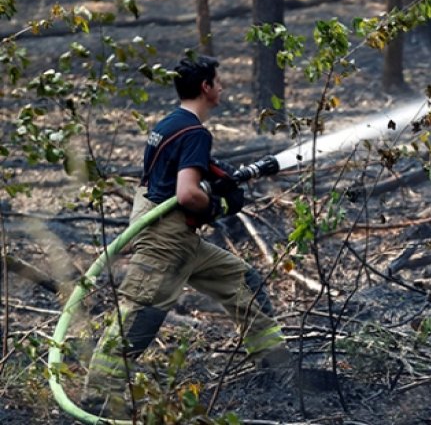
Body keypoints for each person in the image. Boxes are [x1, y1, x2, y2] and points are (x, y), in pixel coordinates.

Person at [83, 55, 292, 416]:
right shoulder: (195, 132)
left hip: (178, 236)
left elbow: (163, 178)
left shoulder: (169, 124)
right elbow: (187, 194)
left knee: (243, 281)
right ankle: (97, 397)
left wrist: (218, 178)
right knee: (142, 312)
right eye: (218, 81)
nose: (222, 87)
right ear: (205, 87)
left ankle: (280, 372)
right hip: (168, 238)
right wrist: (220, 207)